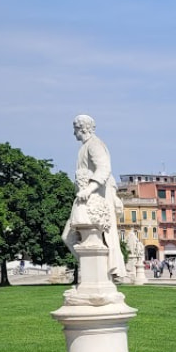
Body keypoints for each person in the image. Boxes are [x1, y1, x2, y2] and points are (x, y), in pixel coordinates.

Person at [62, 113, 127, 281]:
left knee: (91, 238)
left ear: (82, 128)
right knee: (69, 237)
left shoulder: (95, 145)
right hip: (85, 197)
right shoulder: (85, 146)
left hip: (93, 199)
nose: (73, 133)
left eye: (75, 129)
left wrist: (88, 190)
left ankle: (99, 275)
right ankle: (95, 273)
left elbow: (104, 169)